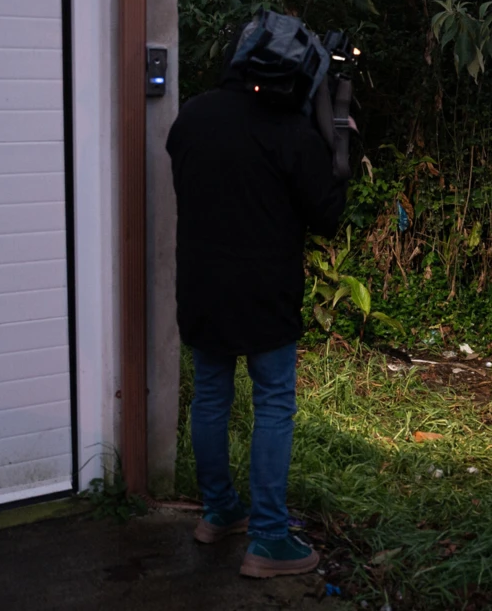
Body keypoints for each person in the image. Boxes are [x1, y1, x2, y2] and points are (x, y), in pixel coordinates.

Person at [166, 36, 349, 579]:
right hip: (266, 292)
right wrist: (336, 140)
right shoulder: (291, 132)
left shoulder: (192, 117)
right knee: (273, 403)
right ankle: (268, 539)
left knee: (210, 396)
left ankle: (218, 512)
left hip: (201, 285)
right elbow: (327, 215)